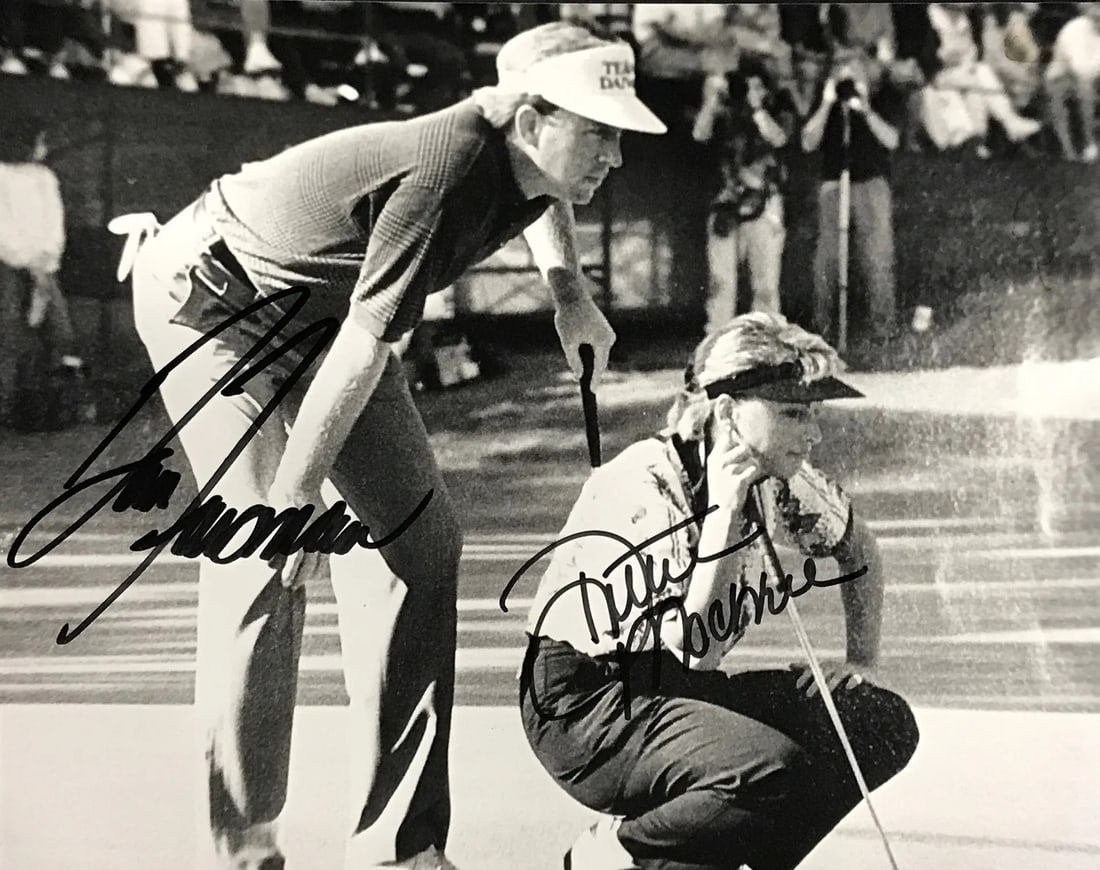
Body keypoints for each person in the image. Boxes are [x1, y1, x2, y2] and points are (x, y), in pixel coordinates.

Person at [116, 20, 664, 870]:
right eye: (598, 132)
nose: (614, 156)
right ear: (529, 120)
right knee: (265, 544)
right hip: (215, 298)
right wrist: (296, 498)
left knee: (420, 536)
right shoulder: (443, 169)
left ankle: (400, 849)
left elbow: (543, 195)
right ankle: (242, 841)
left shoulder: (522, 151)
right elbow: (366, 352)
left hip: (319, 311)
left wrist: (568, 292)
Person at [518, 312, 919, 870]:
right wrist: (725, 513)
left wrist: (861, 661)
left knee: (879, 721)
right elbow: (697, 647)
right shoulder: (641, 484)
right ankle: (611, 856)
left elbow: (860, 554)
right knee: (762, 769)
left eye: (814, 414)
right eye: (794, 414)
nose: (815, 433)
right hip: (587, 706)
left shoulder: (779, 476)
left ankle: (736, 855)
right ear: (728, 412)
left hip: (674, 687)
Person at [801, 49, 900, 353]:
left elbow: (892, 140)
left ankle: (883, 331)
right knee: (826, 260)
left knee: (877, 258)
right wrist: (827, 103)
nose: (848, 75)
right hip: (834, 184)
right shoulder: (826, 101)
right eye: (841, 69)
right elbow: (808, 141)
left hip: (871, 183)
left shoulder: (881, 98)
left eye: (854, 69)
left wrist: (866, 109)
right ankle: (823, 331)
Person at [693, 58, 795, 332]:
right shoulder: (725, 113)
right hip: (726, 202)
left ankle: (766, 341)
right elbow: (700, 134)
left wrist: (757, 109)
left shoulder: (777, 108)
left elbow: (779, 138)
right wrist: (712, 103)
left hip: (765, 201)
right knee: (720, 281)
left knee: (765, 283)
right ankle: (717, 341)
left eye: (757, 86)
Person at [0, 115, 85, 429]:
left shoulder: (45, 177)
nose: (44, 147)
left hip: (45, 267)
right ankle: (9, 405)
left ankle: (51, 407)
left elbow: (54, 224)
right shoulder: (2, 175)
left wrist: (45, 263)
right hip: (10, 267)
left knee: (59, 332)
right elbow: (3, 226)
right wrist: (25, 260)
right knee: (13, 333)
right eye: (40, 141)